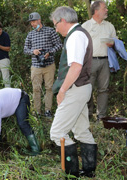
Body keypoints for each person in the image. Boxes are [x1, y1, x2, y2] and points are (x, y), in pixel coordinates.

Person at [50, 7, 97, 178]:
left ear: (63, 20)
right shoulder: (79, 33)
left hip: (75, 89)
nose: (56, 29)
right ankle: (89, 171)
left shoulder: (76, 35)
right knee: (81, 130)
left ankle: (72, 173)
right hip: (82, 87)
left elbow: (76, 67)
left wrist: (62, 91)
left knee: (56, 133)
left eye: (55, 25)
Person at [82, 1, 117, 120]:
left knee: (103, 89)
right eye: (104, 8)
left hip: (105, 61)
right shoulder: (85, 26)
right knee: (87, 89)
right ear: (96, 11)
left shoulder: (109, 26)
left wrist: (112, 44)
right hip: (89, 62)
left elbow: (115, 43)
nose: (106, 10)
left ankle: (101, 116)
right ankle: (88, 114)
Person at [24, 12, 62, 118]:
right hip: (36, 66)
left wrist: (49, 52)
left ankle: (48, 111)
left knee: (49, 88)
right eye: (31, 22)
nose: (32, 23)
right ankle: (37, 112)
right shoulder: (30, 34)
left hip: (49, 65)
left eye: (34, 21)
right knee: (36, 89)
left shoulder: (50, 31)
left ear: (39, 20)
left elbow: (59, 45)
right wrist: (33, 51)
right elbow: (25, 50)